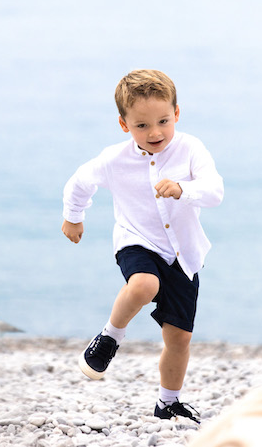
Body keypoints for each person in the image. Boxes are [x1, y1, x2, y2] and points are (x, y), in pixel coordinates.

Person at [62, 69, 224, 423]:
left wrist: (185, 189)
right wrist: (74, 217)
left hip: (183, 255)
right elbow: (79, 182)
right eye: (142, 126)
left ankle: (168, 403)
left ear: (177, 114)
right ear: (124, 125)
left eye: (164, 121)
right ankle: (109, 338)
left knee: (179, 339)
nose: (155, 133)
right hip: (136, 242)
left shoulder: (191, 148)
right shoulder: (112, 159)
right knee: (144, 284)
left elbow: (215, 191)